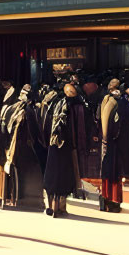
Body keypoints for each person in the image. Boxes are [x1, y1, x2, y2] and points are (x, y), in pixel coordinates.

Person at [44, 78, 88, 218]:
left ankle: (52, 206)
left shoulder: (54, 104)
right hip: (67, 146)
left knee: (55, 177)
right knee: (64, 178)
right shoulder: (78, 106)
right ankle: (59, 207)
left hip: (55, 145)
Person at [0, 85, 43, 210]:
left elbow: (3, 129)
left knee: (14, 173)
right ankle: (20, 200)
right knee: (22, 174)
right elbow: (36, 132)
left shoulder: (9, 108)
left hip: (12, 147)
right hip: (24, 148)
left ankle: (13, 199)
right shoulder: (31, 110)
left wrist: (6, 145)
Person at [98, 78, 129, 213]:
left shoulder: (107, 101)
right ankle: (113, 201)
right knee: (114, 172)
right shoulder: (121, 103)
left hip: (109, 142)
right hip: (117, 143)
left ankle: (107, 199)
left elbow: (101, 121)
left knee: (108, 171)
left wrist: (104, 139)